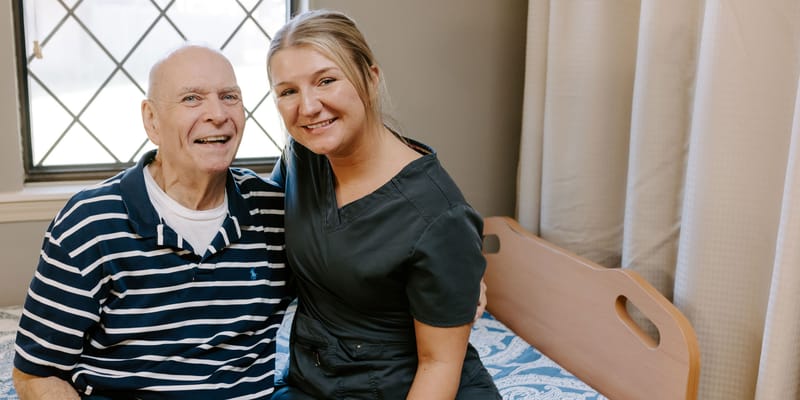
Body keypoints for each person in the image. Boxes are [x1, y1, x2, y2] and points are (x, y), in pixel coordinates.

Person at [12, 45, 293, 399]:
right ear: (152, 120)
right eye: (192, 98)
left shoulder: (273, 212)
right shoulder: (90, 223)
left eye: (229, 96)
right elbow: (35, 374)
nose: (218, 114)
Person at [267, 9, 501, 399]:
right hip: (318, 382)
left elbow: (439, 364)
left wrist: (458, 282)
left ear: (370, 79)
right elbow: (263, 241)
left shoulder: (439, 215)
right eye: (288, 91)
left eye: (326, 80)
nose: (307, 107)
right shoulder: (302, 157)